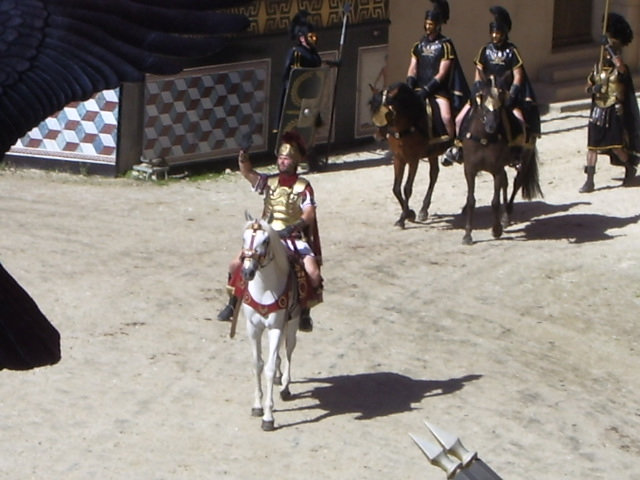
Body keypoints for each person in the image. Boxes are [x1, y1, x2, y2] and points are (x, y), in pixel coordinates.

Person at [217, 131, 322, 332]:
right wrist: (243, 155)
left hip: (292, 236)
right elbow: (248, 173)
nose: (282, 162)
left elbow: (309, 213)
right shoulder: (270, 182)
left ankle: (305, 313)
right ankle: (232, 304)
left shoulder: (304, 186)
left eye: (287, 158)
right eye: (281, 158)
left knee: (313, 273)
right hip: (267, 235)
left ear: (295, 161)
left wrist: (295, 226)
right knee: (234, 264)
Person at [444, 5, 540, 166]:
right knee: (460, 118)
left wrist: (513, 94)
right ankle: (458, 148)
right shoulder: (484, 50)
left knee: (520, 121)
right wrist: (477, 90)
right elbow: (478, 72)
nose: (495, 36)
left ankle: (516, 152)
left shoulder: (512, 51)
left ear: (504, 33)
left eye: (498, 33)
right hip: (486, 94)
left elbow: (518, 75)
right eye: (493, 33)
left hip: (504, 95)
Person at [579, 12, 639, 193]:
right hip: (598, 110)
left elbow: (620, 65)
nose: (606, 54)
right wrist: (592, 90)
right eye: (605, 51)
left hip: (614, 109)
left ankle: (629, 165)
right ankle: (589, 180)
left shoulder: (620, 69)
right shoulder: (597, 68)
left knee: (616, 146)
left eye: (609, 52)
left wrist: (610, 46)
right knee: (592, 146)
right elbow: (587, 86)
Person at [406, 0, 468, 147]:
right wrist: (410, 84)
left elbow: (442, 73)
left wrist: (428, 89)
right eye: (426, 23)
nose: (428, 27)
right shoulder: (418, 45)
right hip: (419, 88)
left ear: (438, 25)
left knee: (446, 117)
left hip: (438, 90)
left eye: (431, 24)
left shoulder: (445, 45)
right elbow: (413, 67)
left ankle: (453, 144)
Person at [275, 10, 323, 132]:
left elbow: (316, 63)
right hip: (297, 95)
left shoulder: (313, 53)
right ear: (302, 38)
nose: (313, 39)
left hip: (310, 92)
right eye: (310, 36)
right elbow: (288, 74)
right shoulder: (296, 52)